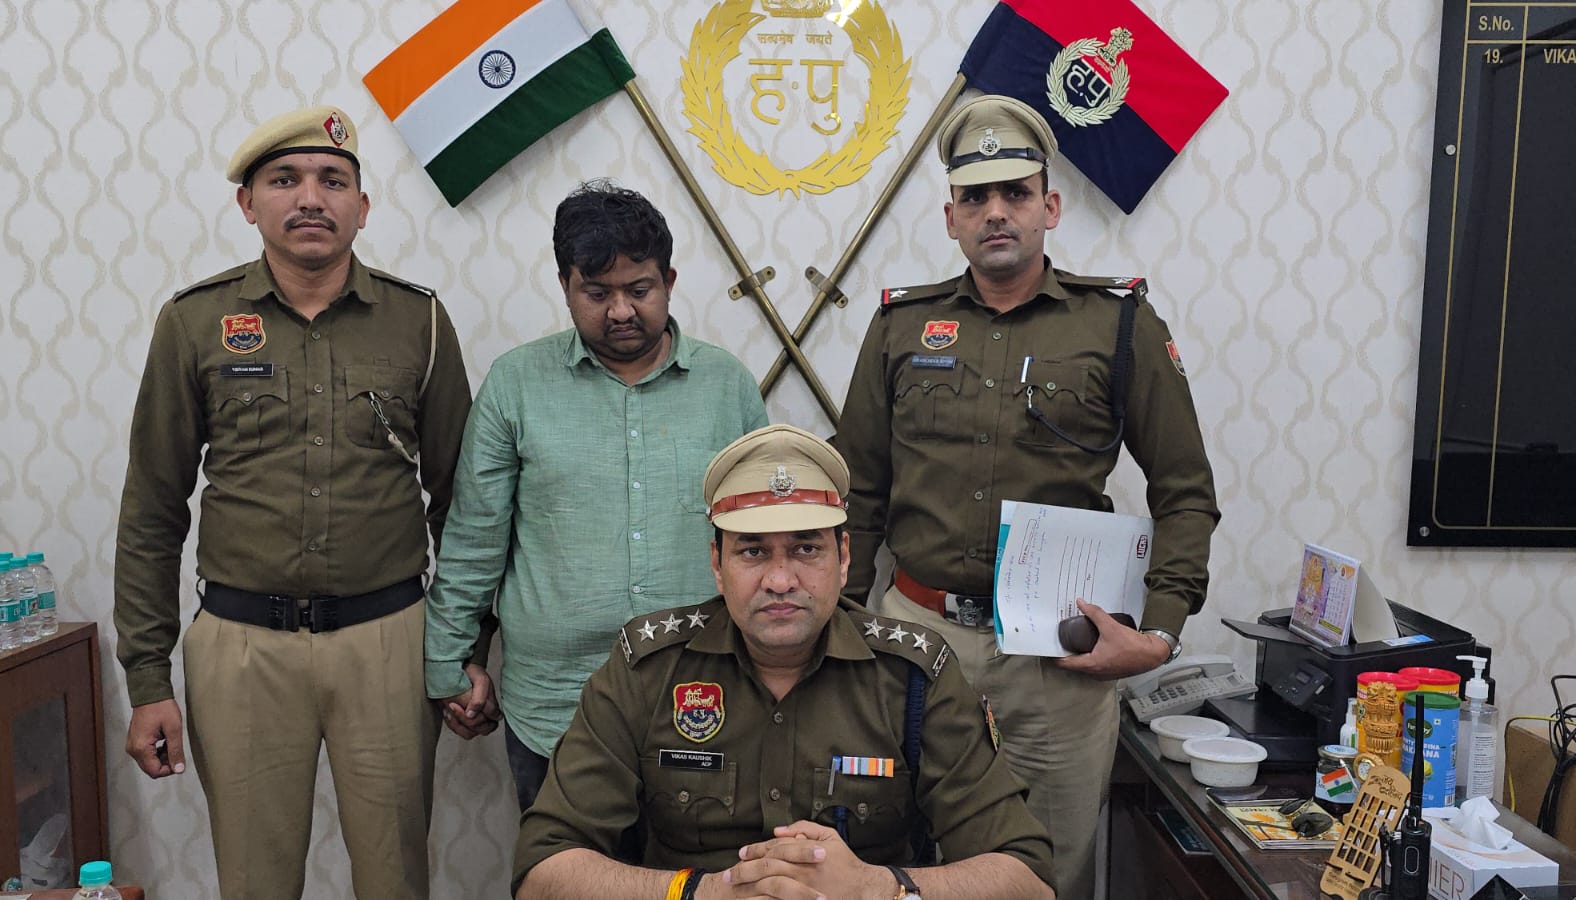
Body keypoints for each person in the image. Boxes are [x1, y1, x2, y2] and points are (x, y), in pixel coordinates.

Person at [831, 94, 1221, 898]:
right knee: (900, 864)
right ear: (951, 218)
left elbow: (1185, 489)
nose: (996, 212)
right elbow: (857, 491)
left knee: (1047, 871)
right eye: (975, 197)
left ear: (1050, 206)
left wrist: (1159, 632)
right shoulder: (902, 326)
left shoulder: (1118, 324)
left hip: (1057, 658)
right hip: (915, 641)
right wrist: (838, 630)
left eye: (1015, 192)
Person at [113, 104, 472, 900]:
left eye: (333, 181)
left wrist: (466, 647)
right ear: (248, 203)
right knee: (254, 882)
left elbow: (461, 502)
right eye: (285, 179)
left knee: (396, 879)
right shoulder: (195, 322)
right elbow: (151, 514)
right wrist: (148, 680)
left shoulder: (419, 321)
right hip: (241, 649)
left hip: (388, 642)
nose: (311, 197)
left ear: (362, 207)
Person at [514, 424, 1053, 900]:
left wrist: (877, 889)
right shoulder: (649, 670)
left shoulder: (913, 677)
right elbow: (542, 869)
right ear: (716, 563)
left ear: (844, 558)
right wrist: (698, 892)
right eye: (752, 551)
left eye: (805, 549)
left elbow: (1028, 877)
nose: (779, 580)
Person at [424, 180, 768, 812]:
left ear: (669, 281)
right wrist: (452, 663)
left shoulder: (728, 387)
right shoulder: (515, 385)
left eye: (639, 289)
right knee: (561, 864)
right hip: (555, 704)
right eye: (598, 293)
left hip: (704, 698)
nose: (620, 311)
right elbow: (473, 540)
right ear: (565, 286)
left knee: (701, 866)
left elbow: (764, 542)